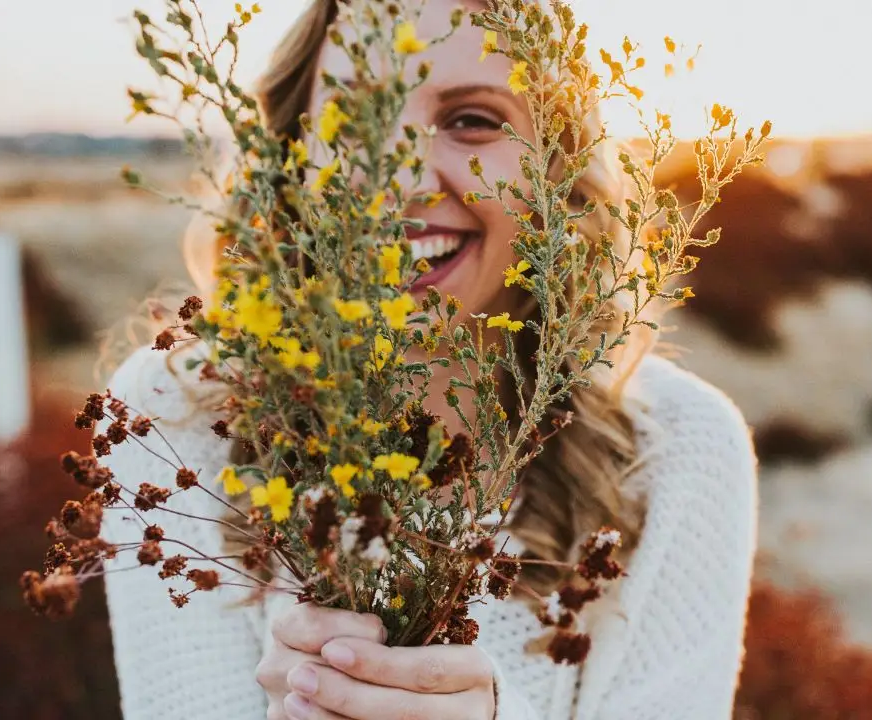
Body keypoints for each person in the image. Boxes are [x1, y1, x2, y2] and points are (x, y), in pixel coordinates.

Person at [99, 1, 759, 718]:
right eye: (353, 120)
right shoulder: (171, 422)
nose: (403, 176)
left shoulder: (678, 450)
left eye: (471, 120)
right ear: (287, 165)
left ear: (559, 170)